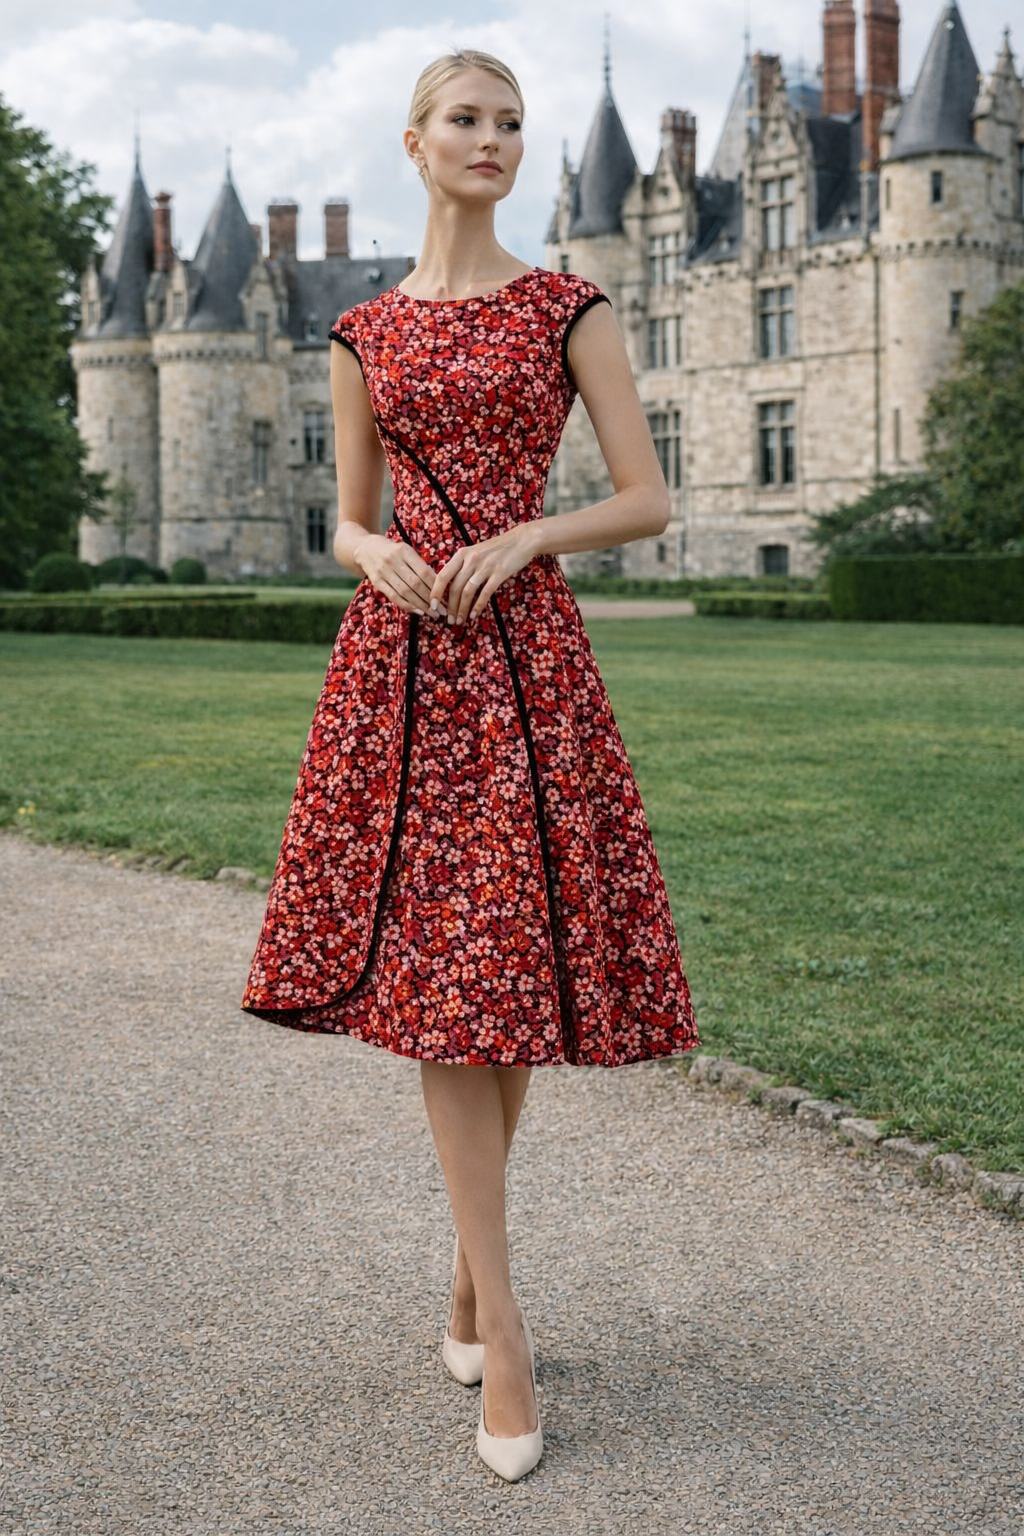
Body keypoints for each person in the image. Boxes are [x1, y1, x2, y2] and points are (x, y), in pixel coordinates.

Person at [241, 47, 700, 1481]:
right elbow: (348, 519)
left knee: (506, 972)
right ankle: (504, 1320)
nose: (491, 139)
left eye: (509, 122)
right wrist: (375, 553)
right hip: (399, 668)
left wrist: (528, 538)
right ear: (415, 143)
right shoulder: (360, 330)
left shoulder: (570, 306)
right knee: (452, 992)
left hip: (531, 664)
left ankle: (467, 1277)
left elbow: (647, 498)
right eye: (466, 120)